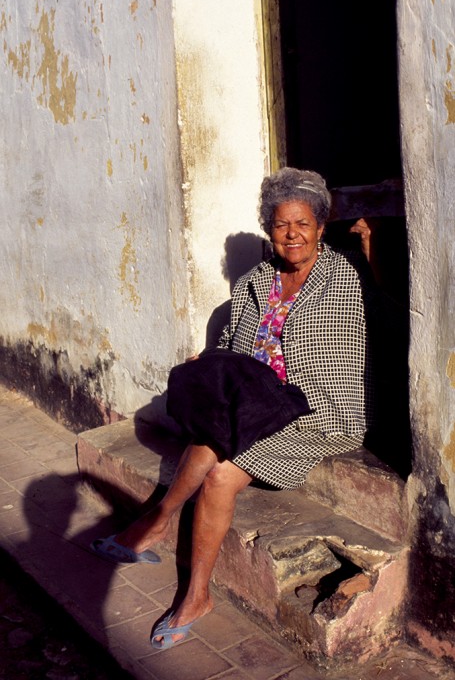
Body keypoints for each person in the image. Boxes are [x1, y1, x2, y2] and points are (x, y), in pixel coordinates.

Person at [91, 167, 379, 649]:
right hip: (253, 401)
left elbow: (334, 366)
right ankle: (161, 525)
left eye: (303, 223)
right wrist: (214, 360)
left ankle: (185, 575)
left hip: (314, 410)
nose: (293, 234)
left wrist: (263, 387)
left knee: (222, 468)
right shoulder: (255, 280)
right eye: (283, 224)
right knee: (215, 431)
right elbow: (232, 341)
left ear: (321, 227)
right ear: (271, 228)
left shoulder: (338, 281)